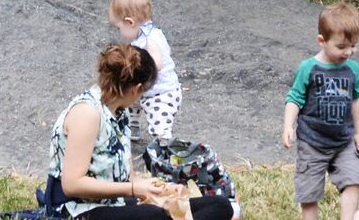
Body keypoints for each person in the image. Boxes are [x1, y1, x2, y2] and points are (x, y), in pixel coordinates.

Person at [47, 44, 233, 219]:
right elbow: (72, 184)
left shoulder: (120, 111)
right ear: (136, 89)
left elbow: (126, 175)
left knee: (220, 205)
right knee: (152, 215)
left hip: (115, 202)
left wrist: (161, 188)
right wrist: (133, 189)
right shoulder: (87, 114)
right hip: (77, 208)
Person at [282, 1, 359, 220]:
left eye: (353, 46)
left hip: (343, 142)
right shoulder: (308, 68)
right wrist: (288, 126)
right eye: (341, 47)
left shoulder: (352, 69)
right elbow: (294, 99)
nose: (348, 52)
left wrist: (358, 133)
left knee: (353, 181)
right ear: (322, 41)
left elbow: (356, 100)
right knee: (309, 196)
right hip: (312, 143)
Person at [110, 0, 181, 143]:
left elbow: (158, 63)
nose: (119, 32)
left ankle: (165, 147)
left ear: (129, 22)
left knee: (159, 126)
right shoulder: (144, 34)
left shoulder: (150, 39)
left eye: (119, 27)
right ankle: (132, 128)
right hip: (144, 89)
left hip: (161, 93)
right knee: (128, 101)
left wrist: (138, 66)